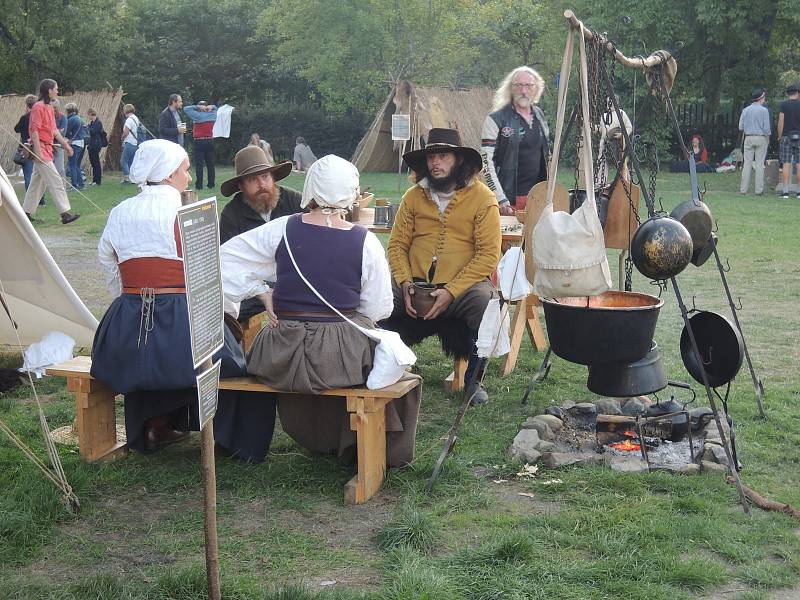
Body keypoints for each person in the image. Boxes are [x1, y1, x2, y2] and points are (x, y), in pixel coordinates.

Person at [219, 155, 418, 465]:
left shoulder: (281, 228)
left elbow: (222, 260)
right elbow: (378, 308)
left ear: (310, 188)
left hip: (280, 356)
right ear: (351, 193)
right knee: (394, 369)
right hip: (340, 360)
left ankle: (256, 447)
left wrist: (262, 293)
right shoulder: (365, 242)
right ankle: (367, 451)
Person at [381, 128, 501, 405]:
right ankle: (380, 364)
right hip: (414, 285)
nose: (436, 162)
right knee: (375, 297)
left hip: (463, 289)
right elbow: (397, 245)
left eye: (443, 156)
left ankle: (473, 381)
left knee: (485, 302)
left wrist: (451, 291)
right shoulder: (413, 196)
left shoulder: (483, 199)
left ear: (459, 160)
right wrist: (404, 281)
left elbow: (487, 256)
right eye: (432, 157)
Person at [219, 145, 303, 321]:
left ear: (273, 178)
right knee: (227, 308)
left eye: (265, 177)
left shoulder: (295, 201)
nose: (262, 185)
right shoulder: (232, 215)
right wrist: (262, 291)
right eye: (253, 180)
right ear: (241, 186)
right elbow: (228, 267)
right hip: (252, 288)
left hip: (295, 279)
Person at [481, 66, 550, 215]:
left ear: (536, 88)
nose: (523, 91)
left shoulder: (539, 115)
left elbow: (546, 156)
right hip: (509, 201)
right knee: (512, 238)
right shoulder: (495, 119)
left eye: (528, 85)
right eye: (518, 85)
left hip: (537, 198)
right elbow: (486, 162)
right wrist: (500, 198)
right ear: (511, 88)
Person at [21, 79, 79, 225]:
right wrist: (38, 152)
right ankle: (65, 214)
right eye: (56, 89)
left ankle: (25, 214)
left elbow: (53, 131)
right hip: (41, 149)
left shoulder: (48, 107)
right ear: (49, 90)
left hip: (47, 148)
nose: (57, 91)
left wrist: (66, 146)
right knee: (56, 180)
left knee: (37, 184)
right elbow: (34, 130)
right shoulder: (38, 107)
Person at [738, 88, 771, 196]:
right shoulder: (764, 111)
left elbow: (740, 127)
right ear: (761, 98)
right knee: (759, 164)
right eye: (764, 97)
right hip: (761, 138)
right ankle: (759, 190)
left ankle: (743, 189)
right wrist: (768, 138)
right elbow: (766, 128)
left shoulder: (745, 110)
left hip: (748, 137)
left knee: (747, 163)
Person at [183, 101, 217, 189]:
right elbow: (216, 108)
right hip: (210, 141)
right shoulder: (213, 115)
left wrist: (197, 107)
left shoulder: (197, 116)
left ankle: (199, 185)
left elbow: (186, 109)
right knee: (210, 164)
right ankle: (211, 184)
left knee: (199, 165)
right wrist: (212, 106)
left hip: (199, 141)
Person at [777, 84, 800, 199]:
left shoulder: (783, 105)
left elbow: (781, 122)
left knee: (786, 164)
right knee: (799, 164)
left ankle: (785, 192)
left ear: (787, 94)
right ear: (798, 93)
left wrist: (779, 136)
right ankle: (799, 192)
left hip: (786, 137)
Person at [13, 94, 36, 191]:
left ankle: (30, 197)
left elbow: (16, 129)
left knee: (28, 173)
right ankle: (41, 199)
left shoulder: (24, 117)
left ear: (27, 105)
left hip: (26, 147)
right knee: (38, 175)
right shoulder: (38, 117)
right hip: (37, 147)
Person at [64, 102, 86, 190]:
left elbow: (66, 131)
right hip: (81, 143)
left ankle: (74, 185)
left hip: (74, 143)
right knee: (76, 165)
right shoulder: (80, 118)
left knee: (72, 165)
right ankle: (81, 184)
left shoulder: (71, 119)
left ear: (67, 110)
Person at [120, 104, 141, 183]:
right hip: (135, 142)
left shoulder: (129, 120)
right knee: (131, 161)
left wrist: (121, 138)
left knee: (123, 160)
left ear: (126, 110)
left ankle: (126, 178)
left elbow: (126, 132)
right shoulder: (136, 118)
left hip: (129, 142)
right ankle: (132, 178)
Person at [86, 108, 105, 185]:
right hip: (91, 144)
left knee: (96, 162)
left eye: (89, 115)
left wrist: (87, 128)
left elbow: (93, 131)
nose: (88, 117)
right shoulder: (92, 123)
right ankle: (94, 180)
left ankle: (98, 181)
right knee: (93, 162)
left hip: (96, 144)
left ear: (91, 114)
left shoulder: (98, 123)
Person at [51, 99, 68, 184]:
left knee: (60, 169)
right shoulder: (48, 117)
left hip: (58, 146)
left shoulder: (63, 118)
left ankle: (63, 188)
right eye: (52, 107)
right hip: (48, 146)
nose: (54, 109)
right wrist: (56, 131)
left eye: (55, 107)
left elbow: (62, 133)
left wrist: (52, 132)